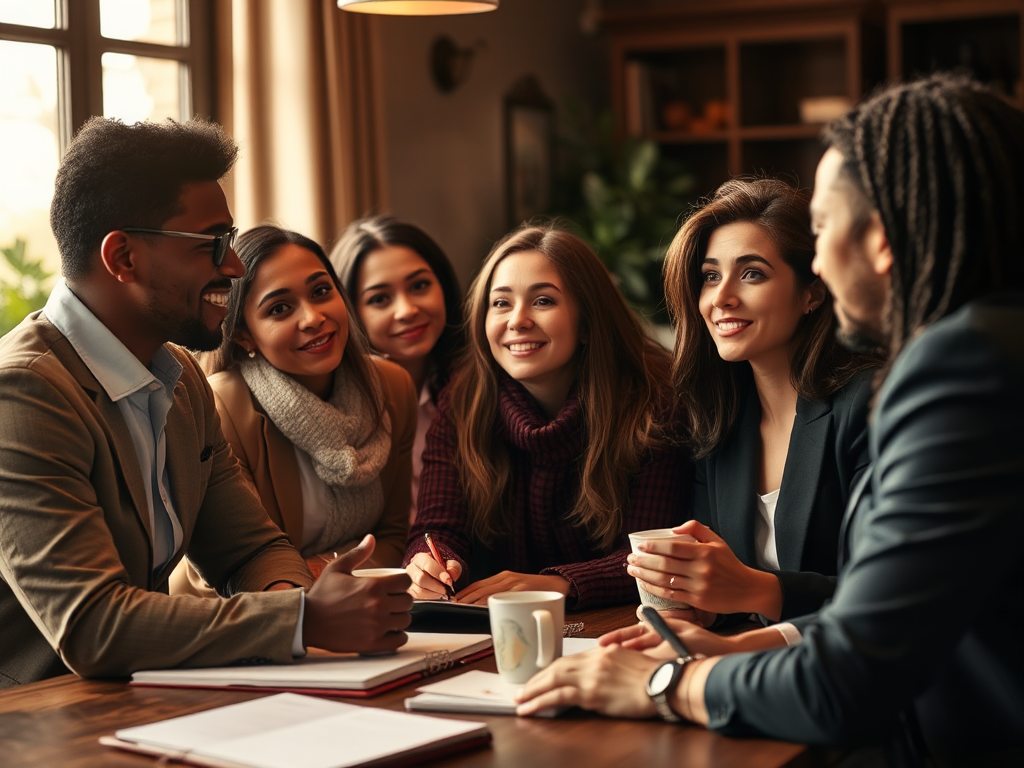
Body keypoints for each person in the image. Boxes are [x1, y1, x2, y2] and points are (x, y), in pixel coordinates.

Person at [516, 74, 1024, 767]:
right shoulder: (991, 346)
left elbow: (849, 678)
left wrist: (664, 683)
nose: (819, 262)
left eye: (822, 230)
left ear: (879, 240)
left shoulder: (959, 368)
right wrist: (741, 647)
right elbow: (899, 622)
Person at [0, 118, 412, 689]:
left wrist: (299, 604)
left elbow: (250, 549)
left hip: (141, 698)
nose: (234, 266)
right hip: (36, 715)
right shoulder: (22, 392)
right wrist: (304, 619)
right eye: (212, 245)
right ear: (123, 257)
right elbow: (94, 626)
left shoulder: (181, 377)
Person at [627, 178, 880, 627]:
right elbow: (728, 599)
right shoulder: (717, 419)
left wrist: (753, 590)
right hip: (750, 659)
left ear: (812, 293)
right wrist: (700, 611)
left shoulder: (867, 405)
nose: (721, 298)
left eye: (752, 274)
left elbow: (885, 593)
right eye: (710, 276)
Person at [403, 225, 691, 608]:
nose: (517, 320)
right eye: (501, 303)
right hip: (501, 624)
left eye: (542, 301)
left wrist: (557, 584)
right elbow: (437, 528)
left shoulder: (654, 403)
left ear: (587, 321)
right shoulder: (463, 401)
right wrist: (430, 564)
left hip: (624, 623)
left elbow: (653, 557)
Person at [170, 225, 417, 598]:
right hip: (244, 617)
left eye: (321, 292)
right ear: (244, 335)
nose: (313, 317)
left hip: (354, 606)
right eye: (279, 308)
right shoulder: (220, 407)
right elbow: (232, 567)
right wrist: (324, 578)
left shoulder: (393, 386)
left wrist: (324, 570)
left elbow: (393, 536)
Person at [329, 216, 463, 522]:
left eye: (419, 285)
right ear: (348, 311)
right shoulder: (333, 410)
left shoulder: (487, 390)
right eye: (380, 299)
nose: (407, 310)